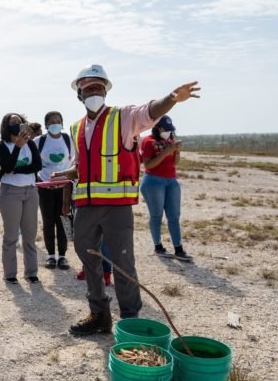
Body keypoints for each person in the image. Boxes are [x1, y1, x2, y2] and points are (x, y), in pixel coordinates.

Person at [67, 64, 200, 336]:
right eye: (88, 88)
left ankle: (129, 321)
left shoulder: (123, 117)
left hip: (117, 207)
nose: (94, 92)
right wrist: (65, 173)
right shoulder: (75, 128)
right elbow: (80, 164)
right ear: (79, 95)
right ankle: (99, 315)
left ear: (106, 90)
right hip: (85, 207)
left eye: (98, 87)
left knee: (122, 262)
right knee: (89, 261)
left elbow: (149, 111)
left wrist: (172, 98)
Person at [0, 113, 42, 284]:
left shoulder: (31, 144)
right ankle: (10, 274)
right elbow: (7, 167)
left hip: (30, 192)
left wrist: (18, 170)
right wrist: (17, 147)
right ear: (6, 126)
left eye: (20, 122)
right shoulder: (1, 146)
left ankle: (31, 272)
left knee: (29, 236)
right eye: (12, 122)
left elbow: (37, 166)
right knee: (11, 236)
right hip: (10, 193)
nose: (17, 124)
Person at [140, 115, 192, 262]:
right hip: (153, 182)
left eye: (170, 130)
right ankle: (158, 247)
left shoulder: (170, 141)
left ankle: (179, 249)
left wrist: (177, 151)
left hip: (171, 181)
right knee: (156, 215)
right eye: (165, 129)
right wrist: (165, 152)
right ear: (157, 127)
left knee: (174, 215)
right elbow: (148, 165)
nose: (168, 132)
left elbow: (175, 163)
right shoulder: (148, 142)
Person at [36, 111, 73, 270]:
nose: (55, 124)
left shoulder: (68, 139)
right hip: (45, 186)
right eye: (51, 122)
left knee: (63, 219)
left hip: (64, 186)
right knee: (48, 221)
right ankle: (51, 256)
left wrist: (66, 178)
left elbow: (72, 161)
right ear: (46, 125)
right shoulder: (39, 141)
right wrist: (42, 179)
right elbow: (35, 162)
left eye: (58, 121)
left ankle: (63, 256)